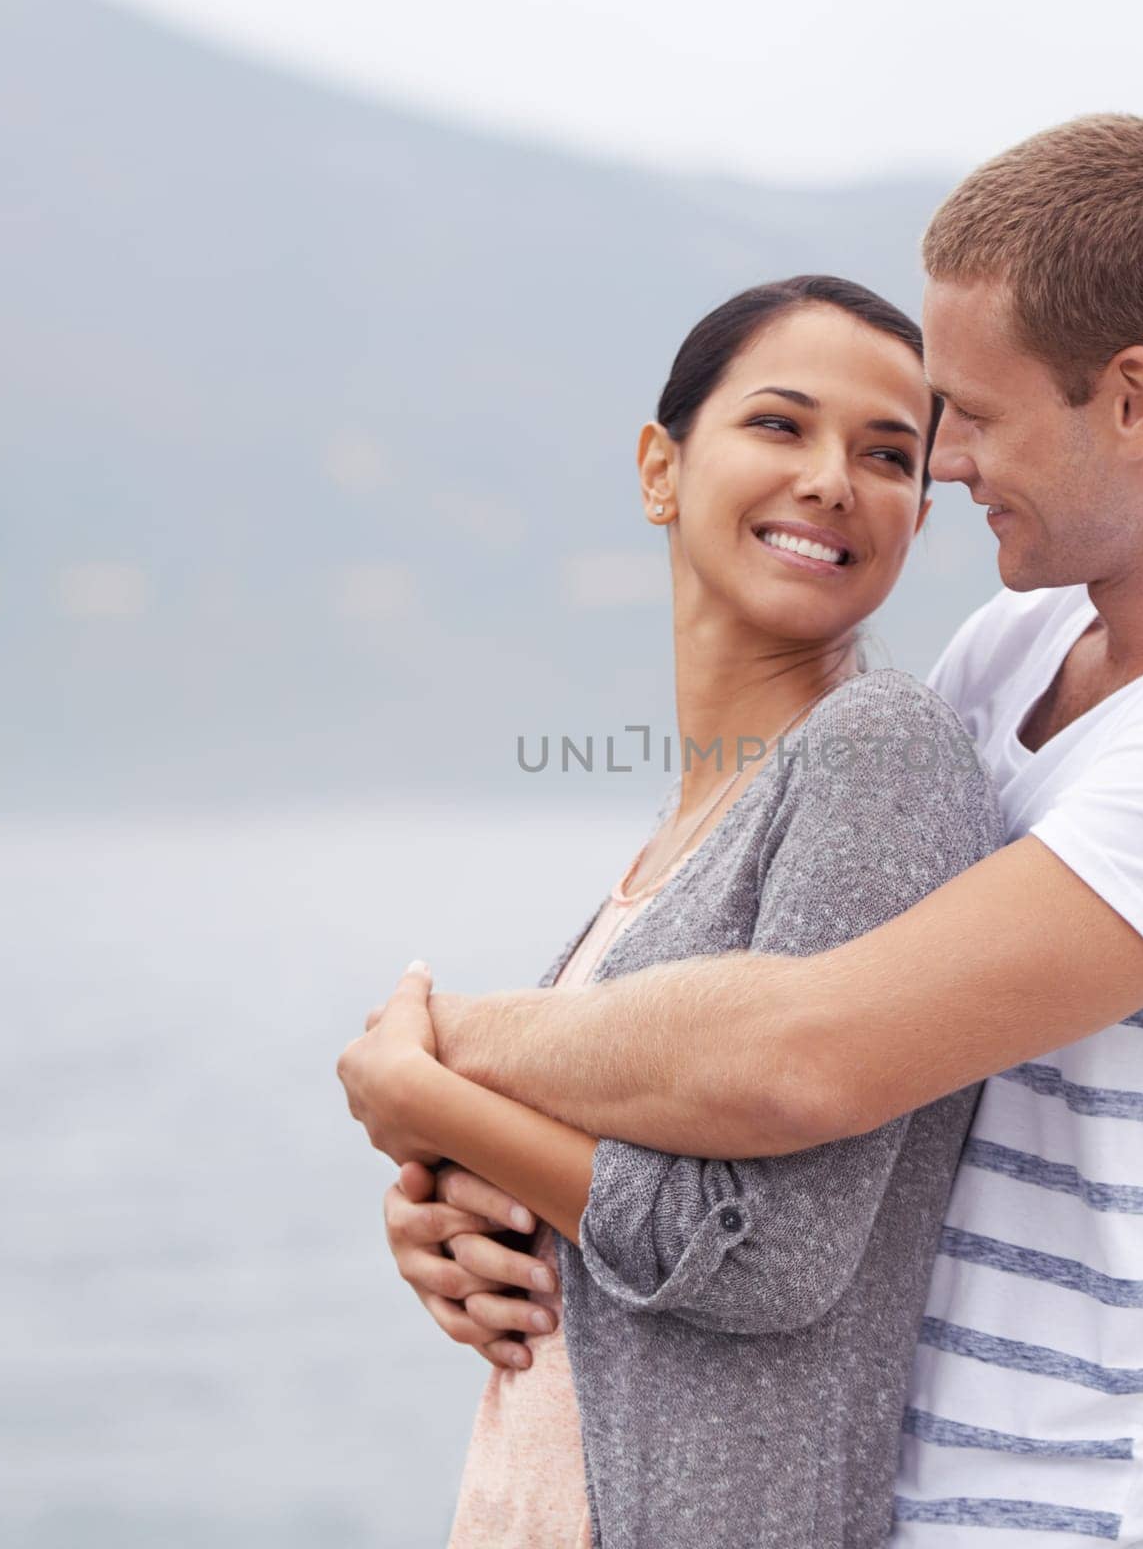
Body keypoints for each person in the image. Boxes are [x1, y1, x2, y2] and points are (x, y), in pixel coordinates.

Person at [353, 115, 1143, 1545]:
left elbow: (803, 1054)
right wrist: (470, 1180)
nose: (941, 468)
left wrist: (427, 1057)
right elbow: (766, 1045)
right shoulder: (1011, 653)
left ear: (1131, 401)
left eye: (969, 418)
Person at [338, 274, 1008, 1546]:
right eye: (780, 425)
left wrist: (424, 1094)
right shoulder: (671, 844)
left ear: (920, 513)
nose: (831, 478)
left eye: (886, 454)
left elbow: (764, 1255)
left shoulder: (879, 749)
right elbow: (609, 1211)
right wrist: (448, 1195)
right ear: (661, 467)